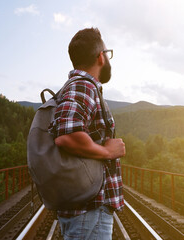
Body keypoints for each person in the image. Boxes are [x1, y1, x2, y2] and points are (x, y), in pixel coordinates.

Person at [48, 27, 126, 240]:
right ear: (101, 57)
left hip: (87, 208)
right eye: (107, 53)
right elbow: (67, 135)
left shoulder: (76, 86)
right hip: (90, 209)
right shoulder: (84, 85)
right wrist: (107, 151)